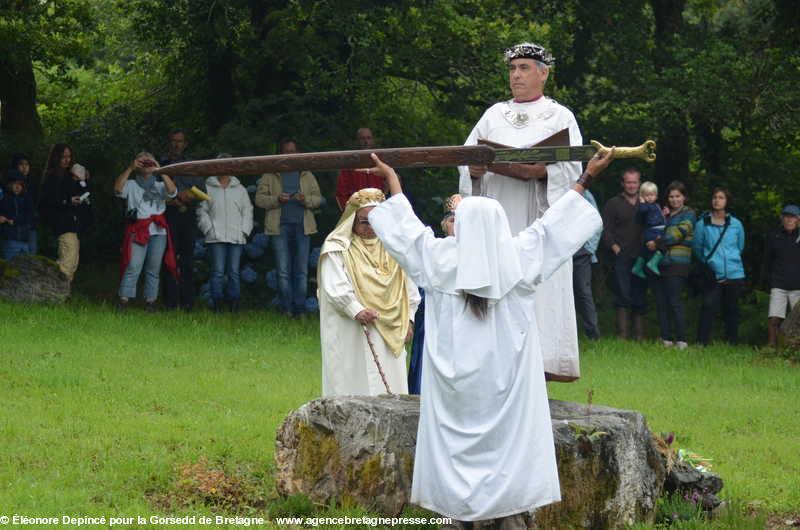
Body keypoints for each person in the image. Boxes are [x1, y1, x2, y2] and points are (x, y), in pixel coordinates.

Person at [368, 148, 613, 527]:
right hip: (505, 390)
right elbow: (555, 228)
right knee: (506, 454)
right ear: (498, 226)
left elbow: (407, 233)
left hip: (456, 395)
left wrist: (393, 181)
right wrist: (587, 177)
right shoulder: (518, 257)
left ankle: (460, 514)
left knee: (457, 466)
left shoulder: (439, 260)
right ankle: (505, 514)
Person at [457, 42, 584, 381]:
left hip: (538, 220)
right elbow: (466, 160)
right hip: (500, 220)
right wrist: (473, 171)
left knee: (538, 292)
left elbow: (574, 172)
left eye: (524, 68)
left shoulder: (560, 116)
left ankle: (540, 368)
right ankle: (493, 367)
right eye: (512, 69)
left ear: (544, 73)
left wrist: (541, 171)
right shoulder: (493, 115)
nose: (516, 75)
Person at [318, 187, 420, 396]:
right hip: (353, 328)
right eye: (365, 221)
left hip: (392, 327)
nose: (371, 227)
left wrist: (409, 319)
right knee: (354, 382)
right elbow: (334, 286)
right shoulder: (337, 247)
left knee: (391, 383)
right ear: (352, 219)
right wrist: (355, 309)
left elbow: (409, 286)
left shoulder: (394, 246)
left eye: (376, 221)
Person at [255, 139, 322, 316]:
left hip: (303, 227)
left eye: (292, 151)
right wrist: (277, 199)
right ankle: (286, 309)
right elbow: (259, 199)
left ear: (297, 153)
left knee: (301, 271)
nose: (289, 155)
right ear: (280, 154)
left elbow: (318, 199)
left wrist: (305, 199)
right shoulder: (270, 174)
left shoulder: (306, 174)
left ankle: (300, 310)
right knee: (283, 271)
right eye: (286, 151)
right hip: (279, 227)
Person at [408, 193, 462, 395]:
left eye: (461, 220)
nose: (456, 225)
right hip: (431, 325)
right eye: (452, 220)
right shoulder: (433, 251)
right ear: (444, 224)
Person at [114, 153, 178, 311]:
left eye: (149, 160)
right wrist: (130, 167)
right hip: (138, 229)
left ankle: (151, 302)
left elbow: (173, 192)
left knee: (154, 268)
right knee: (133, 265)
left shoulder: (160, 185)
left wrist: (160, 170)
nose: (146, 163)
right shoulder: (131, 184)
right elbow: (117, 189)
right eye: (143, 160)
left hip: (158, 232)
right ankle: (123, 300)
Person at [197, 154, 254, 312]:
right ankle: (217, 303)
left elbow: (247, 211)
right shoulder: (207, 187)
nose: (223, 168)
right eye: (220, 164)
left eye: (226, 164)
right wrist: (209, 229)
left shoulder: (240, 189)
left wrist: (244, 231)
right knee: (218, 271)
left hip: (236, 236)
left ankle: (234, 304)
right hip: (215, 237)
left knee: (234, 272)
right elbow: (202, 211)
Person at [693, 188, 745, 345]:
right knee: (708, 306)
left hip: (734, 273)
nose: (717, 200)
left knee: (731, 309)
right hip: (713, 273)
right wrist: (709, 263)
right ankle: (702, 342)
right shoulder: (702, 224)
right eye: (715, 197)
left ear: (727, 201)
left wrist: (732, 261)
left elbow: (740, 246)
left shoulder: (736, 224)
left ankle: (732, 342)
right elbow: (697, 247)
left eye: (721, 198)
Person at [160, 128, 203, 311]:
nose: (176, 145)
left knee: (187, 260)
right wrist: (172, 199)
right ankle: (170, 302)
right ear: (168, 142)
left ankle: (188, 303)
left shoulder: (192, 164)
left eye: (180, 141)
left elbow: (201, 190)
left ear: (185, 144)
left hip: (187, 215)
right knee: (168, 259)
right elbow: (151, 190)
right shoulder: (161, 164)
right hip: (167, 215)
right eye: (173, 141)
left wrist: (189, 195)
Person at [602, 168, 646, 340]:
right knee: (622, 293)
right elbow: (604, 228)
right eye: (628, 182)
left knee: (639, 293)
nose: (632, 185)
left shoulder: (645, 204)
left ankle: (640, 337)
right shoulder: (613, 203)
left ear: (639, 183)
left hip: (641, 256)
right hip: (621, 256)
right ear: (623, 183)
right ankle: (622, 336)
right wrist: (614, 247)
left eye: (635, 182)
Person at [38, 143, 93, 282]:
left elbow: (84, 192)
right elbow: (48, 202)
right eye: (63, 157)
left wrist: (82, 181)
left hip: (73, 223)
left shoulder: (70, 175)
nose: (67, 160)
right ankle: (54, 291)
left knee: (72, 261)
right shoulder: (52, 177)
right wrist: (68, 201)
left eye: (69, 157)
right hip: (62, 223)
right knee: (67, 261)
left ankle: (62, 293)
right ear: (56, 158)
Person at [651, 181, 695, 349]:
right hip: (661, 263)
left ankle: (682, 340)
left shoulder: (689, 214)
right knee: (661, 301)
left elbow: (676, 234)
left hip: (678, 263)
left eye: (678, 196)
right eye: (671, 196)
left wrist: (658, 241)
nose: (674, 199)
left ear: (684, 197)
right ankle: (666, 338)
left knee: (675, 301)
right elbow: (653, 229)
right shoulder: (665, 214)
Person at [763, 204, 800, 348]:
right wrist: (767, 281)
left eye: (792, 217)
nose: (789, 220)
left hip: (798, 285)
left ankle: (794, 350)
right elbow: (768, 260)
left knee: (798, 320)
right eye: (786, 216)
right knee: (774, 319)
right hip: (778, 284)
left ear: (798, 219)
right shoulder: (774, 236)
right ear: (782, 218)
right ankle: (771, 347)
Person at [572, 189, 602, 340]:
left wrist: (589, 248)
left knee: (583, 292)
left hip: (581, 252)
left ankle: (593, 334)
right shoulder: (553, 189)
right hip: (558, 250)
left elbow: (596, 221)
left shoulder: (585, 194)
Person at [334, 128, 385, 210]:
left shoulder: (380, 163)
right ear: (357, 141)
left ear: (373, 140)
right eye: (362, 138)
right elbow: (341, 193)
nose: (366, 141)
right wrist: (349, 213)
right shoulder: (349, 165)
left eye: (368, 138)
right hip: (357, 211)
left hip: (378, 210)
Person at [631, 181, 666, 278]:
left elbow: (658, 217)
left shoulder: (656, 205)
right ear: (642, 196)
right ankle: (653, 263)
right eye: (647, 195)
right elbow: (642, 211)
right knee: (663, 244)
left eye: (652, 195)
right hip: (653, 231)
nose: (650, 197)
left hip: (656, 230)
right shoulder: (645, 206)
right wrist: (641, 201)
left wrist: (664, 214)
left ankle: (637, 266)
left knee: (645, 250)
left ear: (656, 195)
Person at [0, 169, 35, 259]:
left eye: (20, 184)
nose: (17, 187)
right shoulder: (4, 199)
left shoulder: (26, 199)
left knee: (25, 268)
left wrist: (15, 221)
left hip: (25, 240)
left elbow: (29, 216)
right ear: (9, 185)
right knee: (10, 268)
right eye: (15, 184)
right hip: (9, 240)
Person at [10, 153, 38, 254]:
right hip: (13, 226)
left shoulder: (32, 183)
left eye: (27, 164)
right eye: (21, 164)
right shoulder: (8, 186)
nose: (25, 167)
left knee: (31, 254)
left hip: (30, 225)